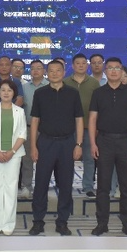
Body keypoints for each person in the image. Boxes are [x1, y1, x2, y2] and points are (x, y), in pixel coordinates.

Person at [88, 56, 127, 236]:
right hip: (104, 141)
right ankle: (102, 223)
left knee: (126, 187)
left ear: (122, 71)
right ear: (105, 71)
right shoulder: (98, 93)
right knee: (103, 186)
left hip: (126, 141)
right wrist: (93, 143)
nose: (113, 71)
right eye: (110, 68)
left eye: (117, 68)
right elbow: (93, 119)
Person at [29, 58, 83, 236]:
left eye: (58, 70)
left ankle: (62, 221)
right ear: (47, 73)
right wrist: (33, 146)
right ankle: (38, 221)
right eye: (51, 71)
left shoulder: (73, 93)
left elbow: (79, 120)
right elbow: (35, 121)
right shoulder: (40, 93)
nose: (54, 73)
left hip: (67, 143)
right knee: (41, 183)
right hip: (46, 142)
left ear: (64, 72)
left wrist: (78, 144)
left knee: (66, 184)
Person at [0, 79, 27, 235]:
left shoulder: (19, 111)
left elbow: (22, 134)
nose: (6, 93)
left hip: (14, 155)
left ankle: (8, 224)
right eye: (3, 90)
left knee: (10, 188)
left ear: (14, 93)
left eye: (9, 90)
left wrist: (12, 151)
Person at [65, 53, 100, 197]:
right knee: (67, 159)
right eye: (77, 63)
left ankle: (88, 186)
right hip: (68, 128)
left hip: (88, 127)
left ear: (87, 65)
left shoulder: (94, 83)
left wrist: (97, 127)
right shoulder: (65, 82)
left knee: (89, 158)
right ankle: (66, 185)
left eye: (83, 63)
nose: (81, 65)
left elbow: (98, 106)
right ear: (73, 66)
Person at [19, 58, 48, 198]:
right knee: (27, 159)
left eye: (39, 68)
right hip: (28, 128)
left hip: (46, 130)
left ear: (44, 71)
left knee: (45, 160)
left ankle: (42, 187)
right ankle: (26, 186)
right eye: (33, 68)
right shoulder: (24, 87)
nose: (35, 71)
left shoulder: (49, 86)